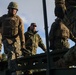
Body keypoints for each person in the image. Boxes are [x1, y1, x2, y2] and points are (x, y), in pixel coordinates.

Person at [0, 2, 25, 75]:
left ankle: (18, 72)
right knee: (11, 54)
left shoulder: (18, 19)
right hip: (6, 40)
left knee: (17, 56)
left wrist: (23, 44)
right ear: (9, 9)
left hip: (16, 41)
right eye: (13, 9)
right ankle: (12, 72)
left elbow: (21, 32)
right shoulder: (3, 18)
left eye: (15, 10)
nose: (14, 11)